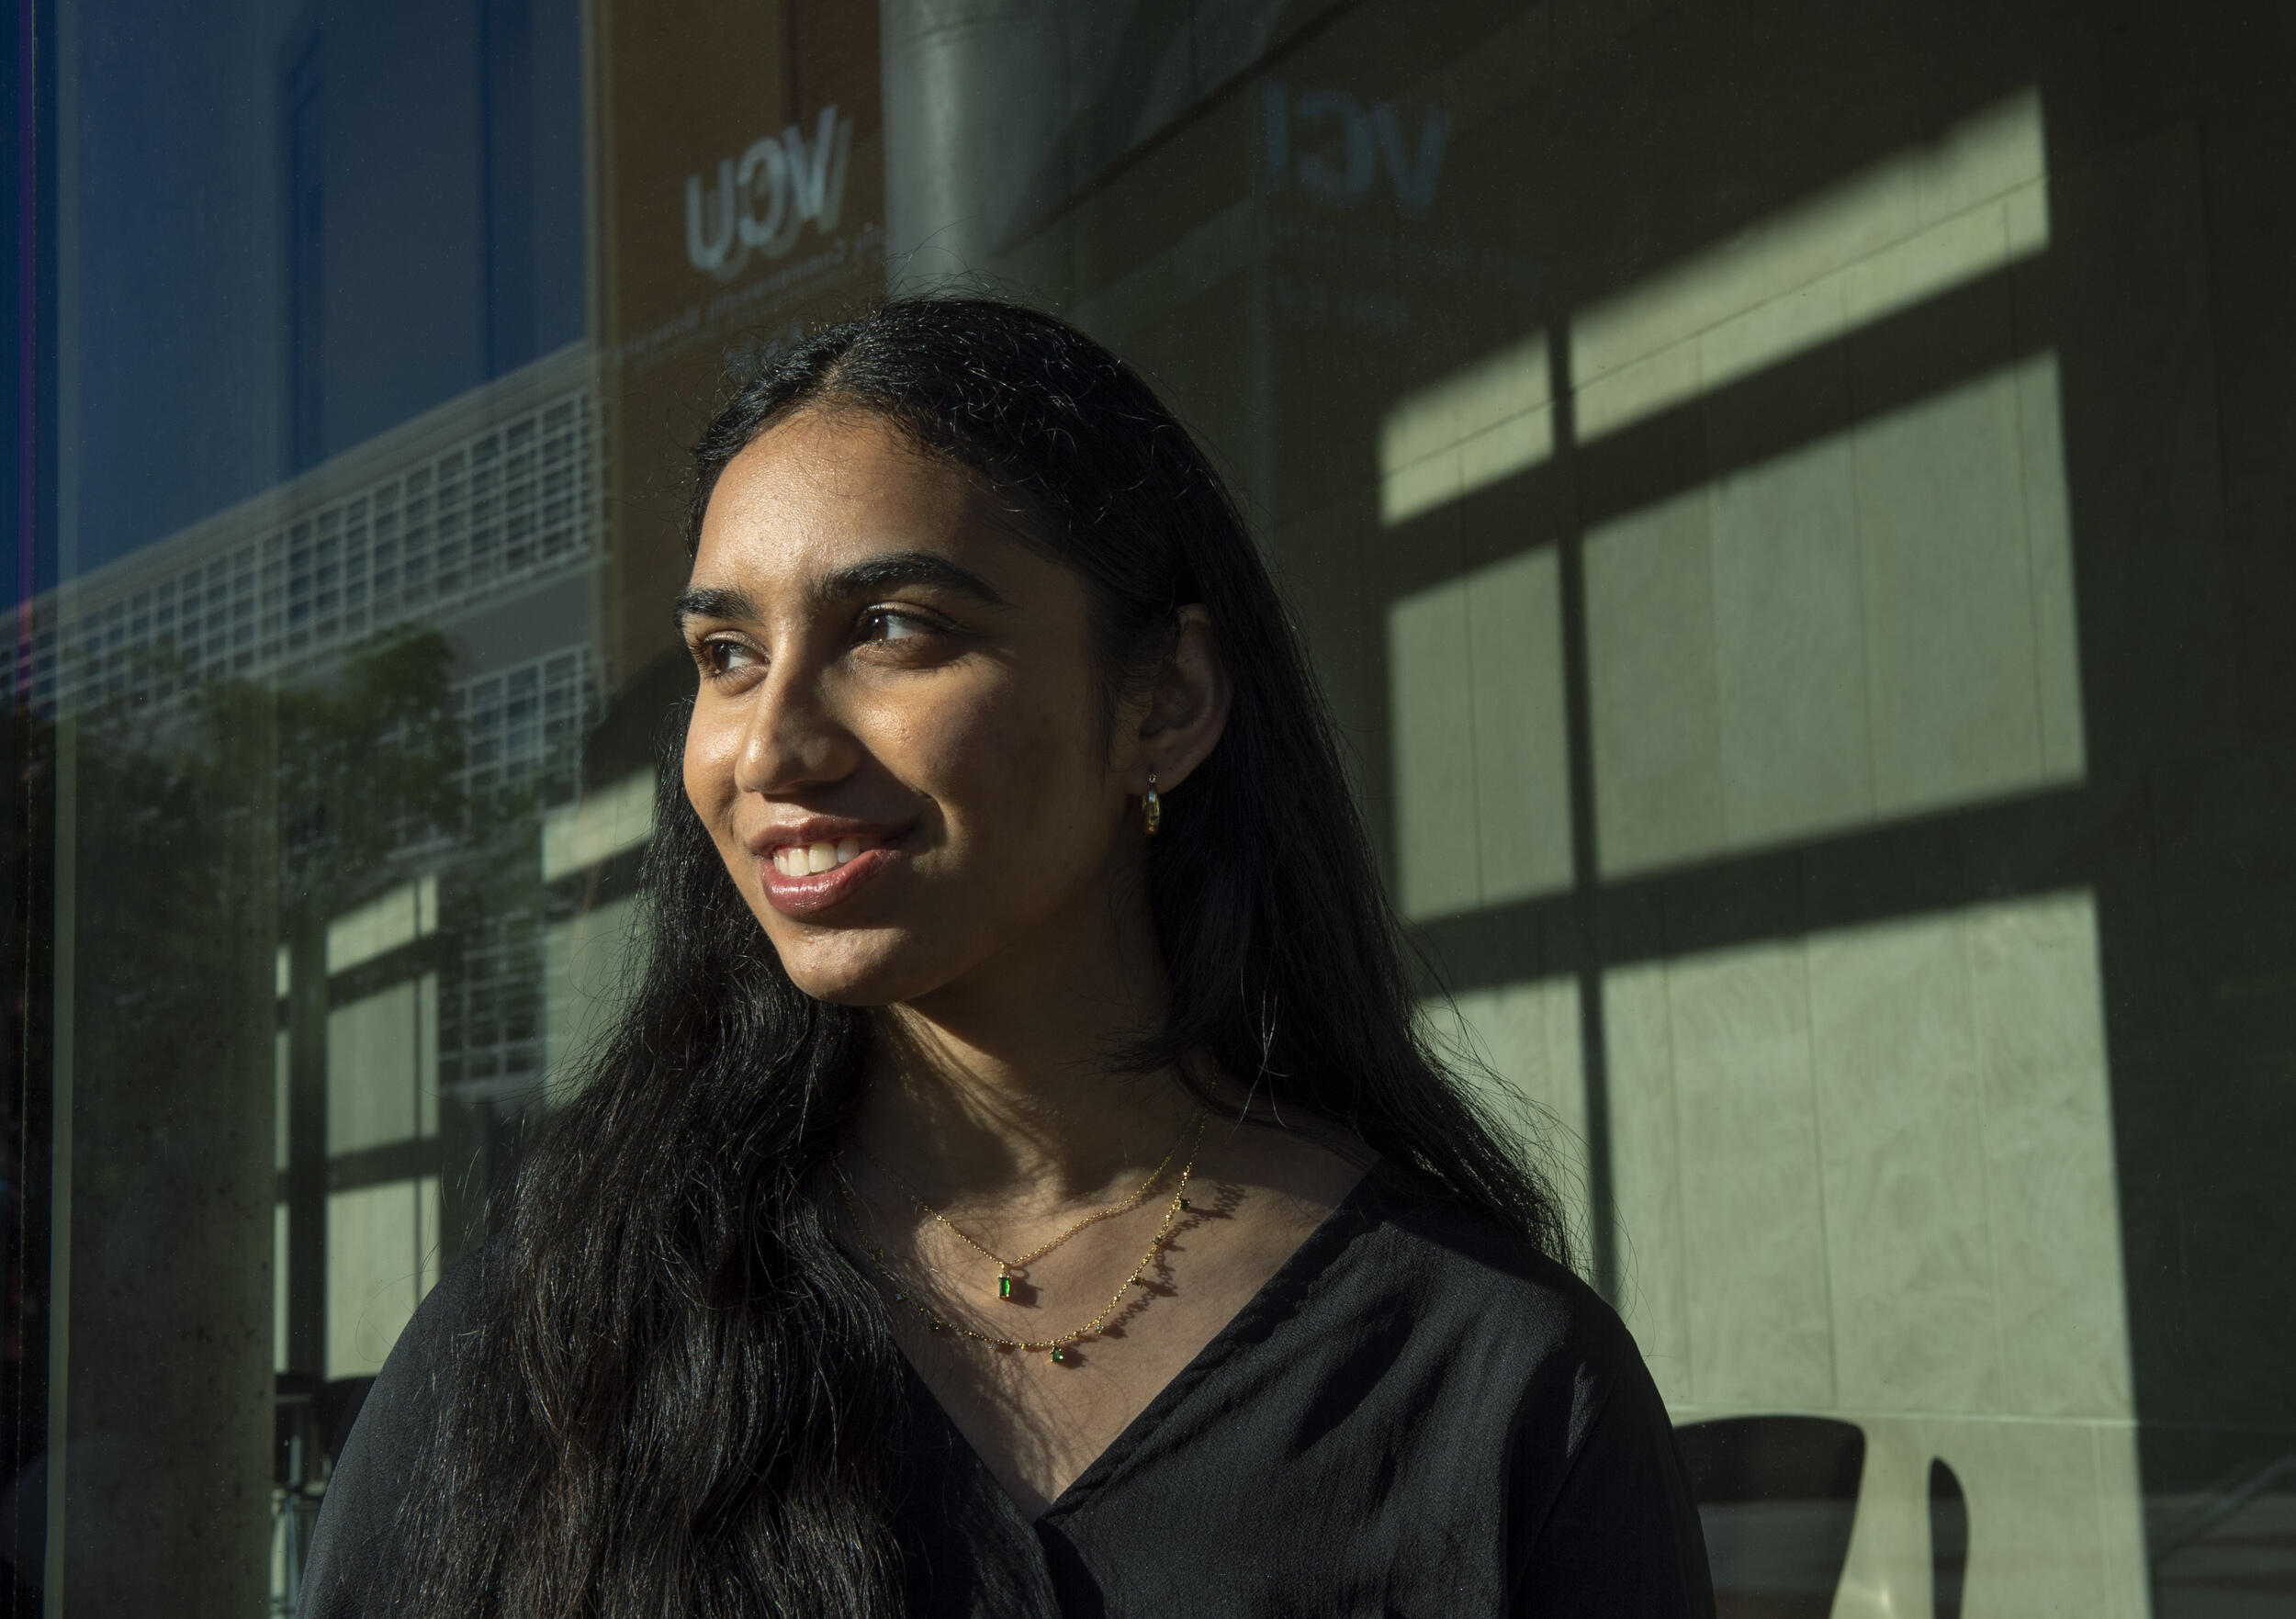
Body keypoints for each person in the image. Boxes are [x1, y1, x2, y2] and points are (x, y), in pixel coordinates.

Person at [298, 298, 1715, 1617]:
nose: (770, 747)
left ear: (1164, 703)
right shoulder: (555, 1338)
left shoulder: (1491, 1378)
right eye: (727, 654)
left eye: (891, 629)